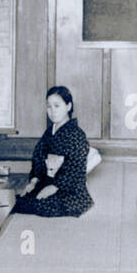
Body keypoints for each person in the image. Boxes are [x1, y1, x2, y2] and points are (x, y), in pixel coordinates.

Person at [13, 85, 93, 217]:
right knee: (21, 199)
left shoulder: (77, 134)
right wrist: (33, 181)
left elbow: (74, 167)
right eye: (49, 107)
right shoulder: (50, 131)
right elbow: (38, 156)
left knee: (41, 205)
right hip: (48, 182)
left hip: (69, 189)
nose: (52, 111)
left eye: (57, 106)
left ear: (68, 106)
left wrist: (54, 187)